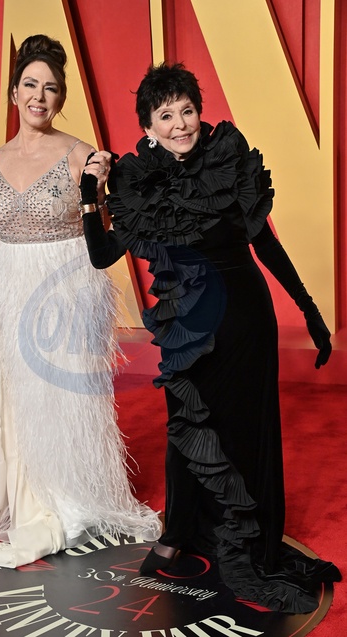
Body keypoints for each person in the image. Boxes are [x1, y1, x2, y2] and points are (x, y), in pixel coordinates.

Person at [79, 62, 341, 613]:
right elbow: (103, 255)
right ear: (149, 127)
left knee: (246, 430)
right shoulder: (139, 181)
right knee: (186, 425)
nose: (180, 124)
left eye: (187, 110)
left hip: (245, 319)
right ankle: (178, 533)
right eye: (166, 115)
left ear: (200, 112)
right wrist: (90, 194)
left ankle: (248, 539)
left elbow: (265, 245)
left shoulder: (228, 161)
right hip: (188, 323)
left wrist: (311, 312)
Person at [0, 35, 161, 569]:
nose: (38, 97)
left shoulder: (80, 155)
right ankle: (28, 500)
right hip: (10, 292)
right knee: (17, 405)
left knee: (63, 402)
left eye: (49, 88)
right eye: (30, 85)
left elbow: (105, 234)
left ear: (60, 98)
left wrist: (99, 189)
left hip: (65, 294)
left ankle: (69, 498)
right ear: (13, 93)